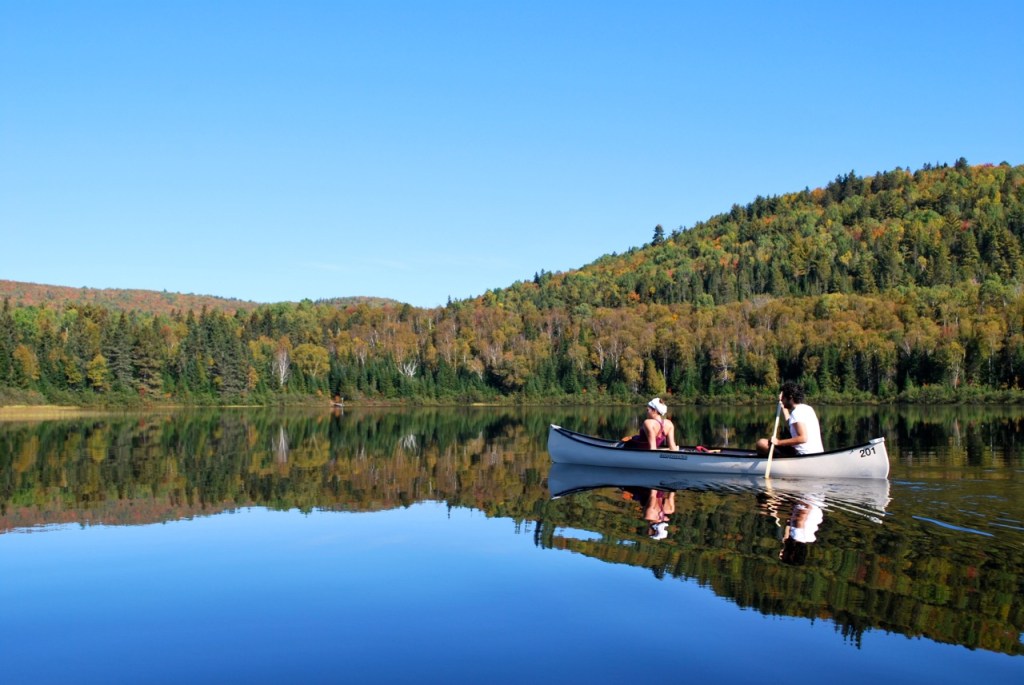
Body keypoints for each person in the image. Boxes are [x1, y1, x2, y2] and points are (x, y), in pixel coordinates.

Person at [756, 381, 823, 457]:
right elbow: (790, 424)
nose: (782, 400)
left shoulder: (796, 413)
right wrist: (782, 405)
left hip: (803, 454)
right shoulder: (807, 408)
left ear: (790, 397)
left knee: (761, 443)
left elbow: (803, 438)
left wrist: (779, 442)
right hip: (816, 452)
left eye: (783, 397)